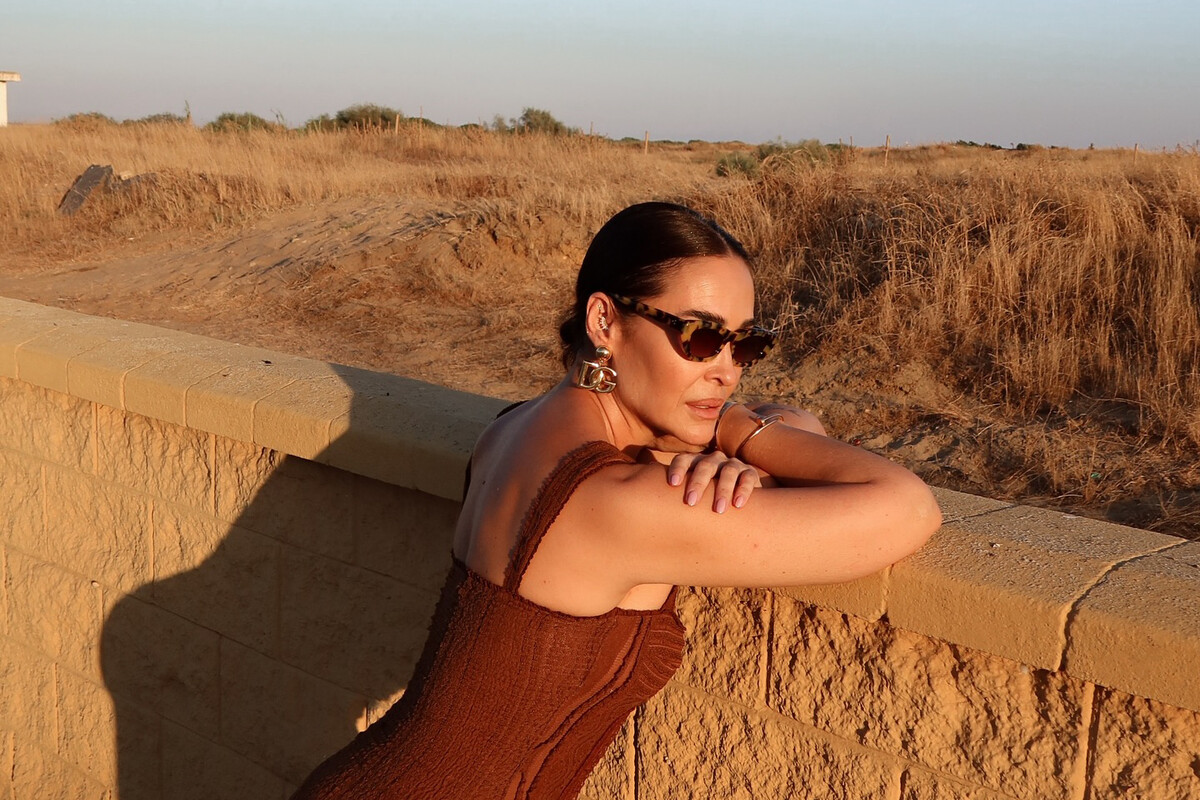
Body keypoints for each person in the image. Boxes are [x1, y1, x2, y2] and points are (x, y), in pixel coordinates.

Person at [289, 202, 941, 799]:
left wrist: (728, 429)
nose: (727, 370)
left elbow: (797, 419)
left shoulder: (517, 428)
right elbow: (909, 507)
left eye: (747, 344)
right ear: (605, 320)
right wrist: (735, 430)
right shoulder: (616, 502)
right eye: (700, 337)